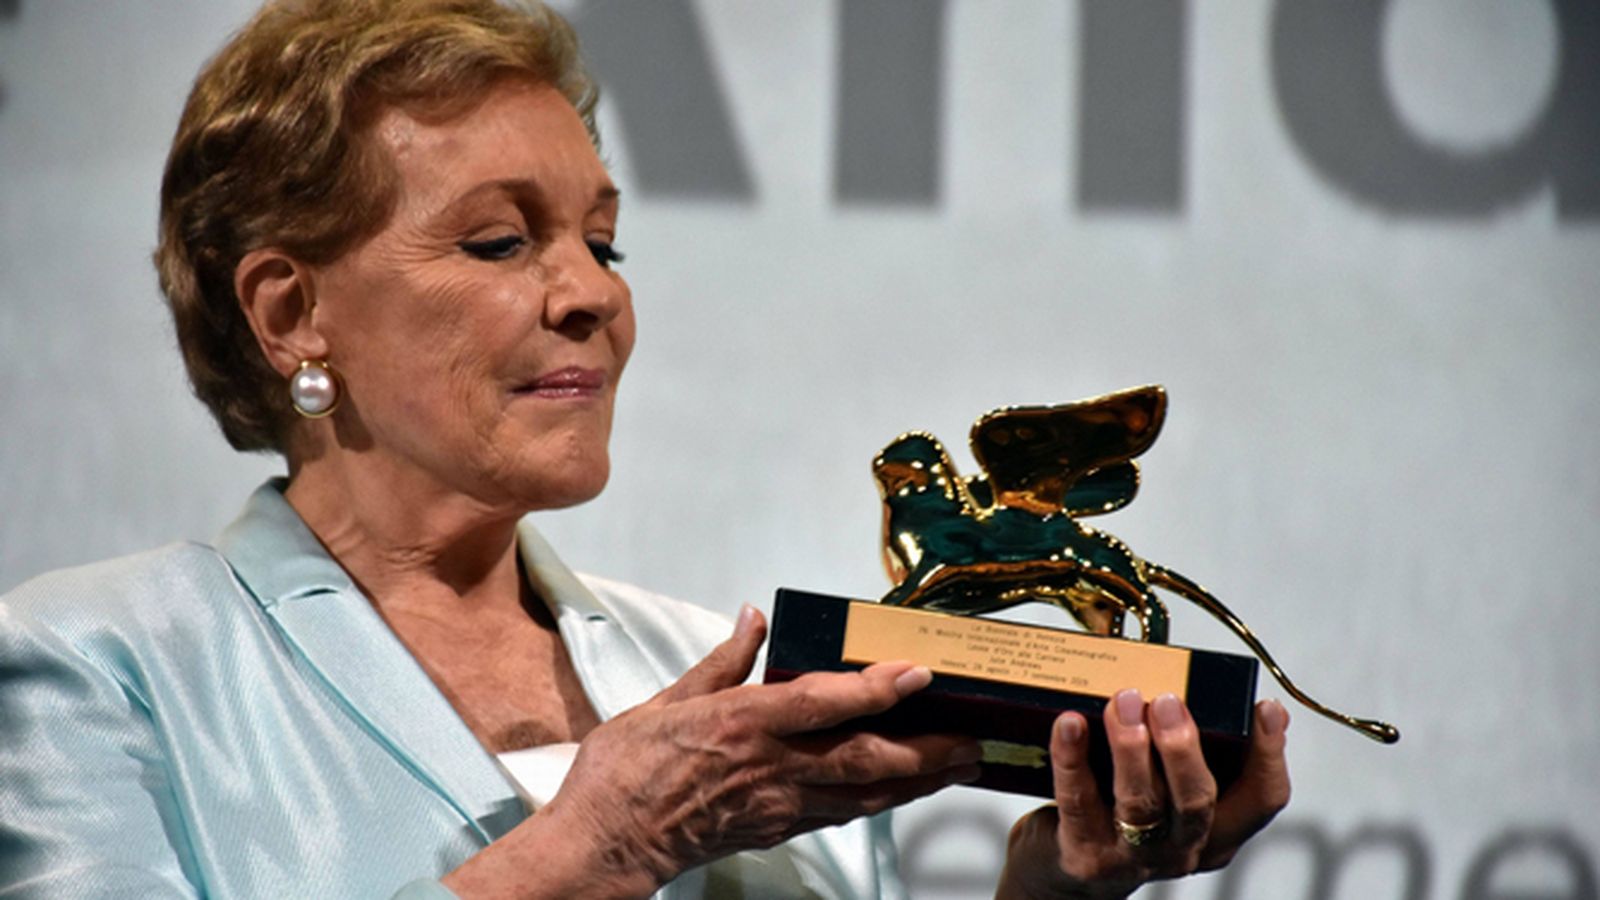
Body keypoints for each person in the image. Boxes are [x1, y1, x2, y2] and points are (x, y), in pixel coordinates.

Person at [0, 1, 1291, 897]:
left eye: (604, 242)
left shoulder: (727, 678)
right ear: (292, 313)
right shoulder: (98, 664)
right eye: (501, 241)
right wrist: (596, 852)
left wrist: (1054, 894)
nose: (594, 295)